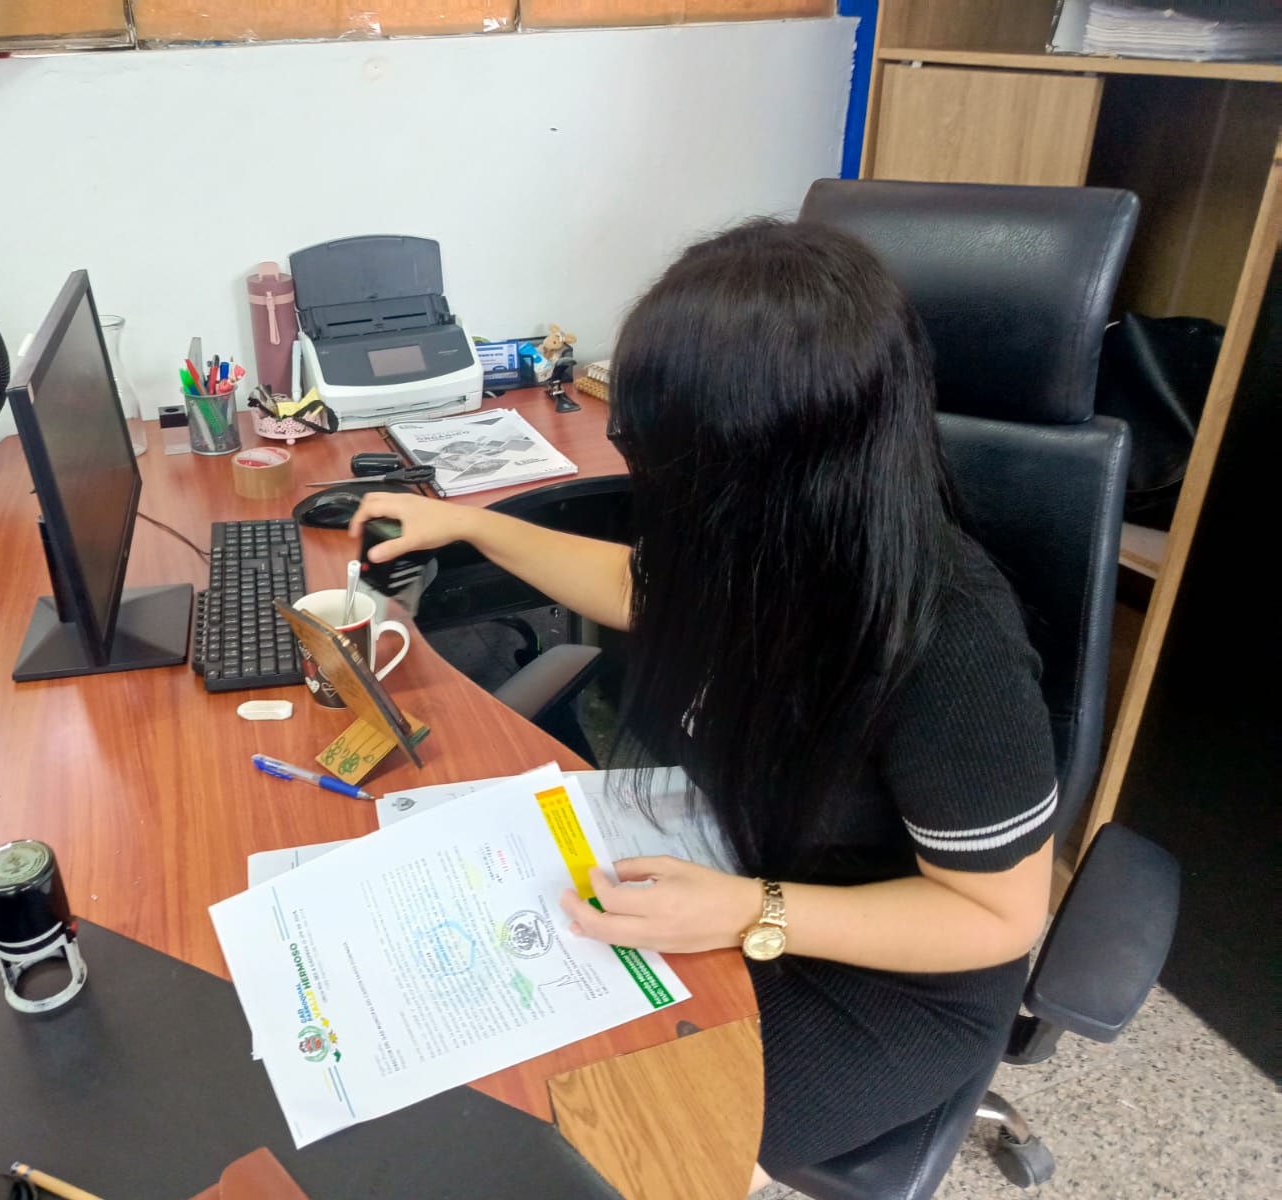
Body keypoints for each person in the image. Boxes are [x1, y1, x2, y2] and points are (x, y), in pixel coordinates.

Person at [348, 219, 1058, 1190]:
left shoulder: (949, 641)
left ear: (773, 460)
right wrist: (470, 526)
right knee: (485, 1055)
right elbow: (641, 588)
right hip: (738, 865)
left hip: (887, 975)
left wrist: (751, 912)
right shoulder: (767, 536)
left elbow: (996, 916)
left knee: (602, 1145)